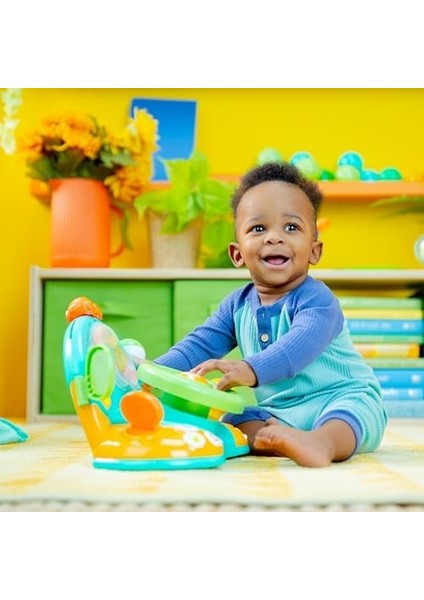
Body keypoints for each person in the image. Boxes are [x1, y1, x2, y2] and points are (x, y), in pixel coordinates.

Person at [155, 162, 387, 468]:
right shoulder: (237, 305)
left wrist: (249, 369)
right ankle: (279, 439)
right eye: (258, 228)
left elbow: (298, 346)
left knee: (349, 414)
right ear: (237, 253)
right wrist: (146, 372)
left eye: (291, 228)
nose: (274, 238)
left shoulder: (318, 300)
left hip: (340, 398)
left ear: (314, 250)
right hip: (281, 412)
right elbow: (197, 346)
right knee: (236, 418)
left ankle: (322, 444)